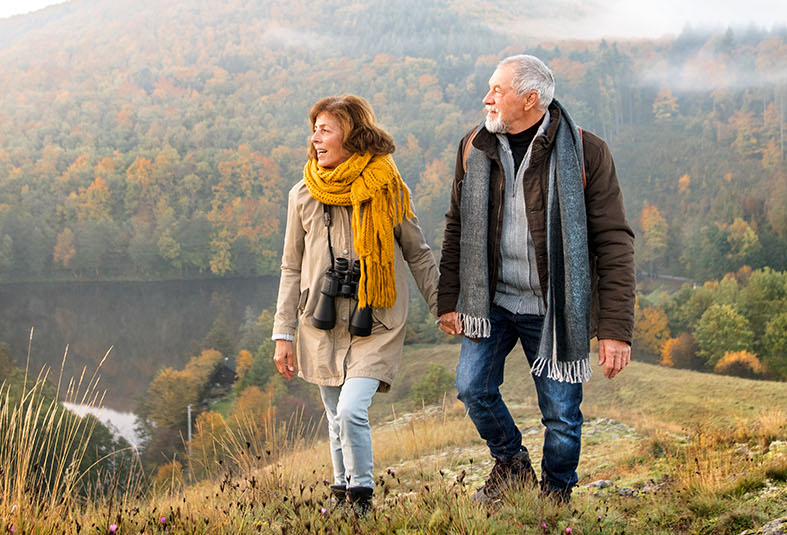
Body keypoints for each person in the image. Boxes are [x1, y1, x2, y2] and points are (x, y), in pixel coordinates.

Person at [437, 54, 635, 505]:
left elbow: (615, 243)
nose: (486, 99)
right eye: (489, 88)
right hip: (493, 301)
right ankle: (511, 464)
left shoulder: (587, 152)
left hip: (555, 307)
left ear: (530, 100)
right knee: (472, 388)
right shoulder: (474, 146)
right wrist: (449, 299)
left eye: (497, 91)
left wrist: (615, 330)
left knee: (562, 416)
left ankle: (555, 499)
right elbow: (456, 226)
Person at [272, 94, 439, 515]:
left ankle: (361, 498)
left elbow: (418, 253)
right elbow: (291, 268)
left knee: (350, 410)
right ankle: (341, 490)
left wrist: (443, 307)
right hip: (320, 322)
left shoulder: (388, 190)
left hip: (375, 321)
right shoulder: (302, 195)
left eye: (325, 130)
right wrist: (283, 332)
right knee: (333, 414)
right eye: (314, 130)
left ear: (352, 136)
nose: (315, 139)